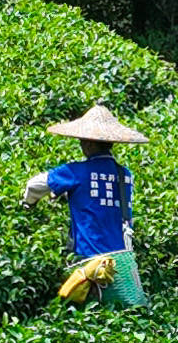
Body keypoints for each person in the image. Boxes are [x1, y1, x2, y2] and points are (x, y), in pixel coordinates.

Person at [24, 104, 147, 307]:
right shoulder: (125, 174)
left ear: (89, 144)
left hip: (91, 260)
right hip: (121, 261)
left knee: (87, 312)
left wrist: (29, 203)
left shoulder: (76, 171)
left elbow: (34, 185)